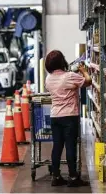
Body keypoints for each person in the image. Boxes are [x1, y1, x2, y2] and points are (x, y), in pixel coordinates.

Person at [44, 50, 92, 187]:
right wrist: (83, 70)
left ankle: (56, 176)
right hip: (69, 116)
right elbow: (88, 82)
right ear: (62, 61)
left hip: (55, 117)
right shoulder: (70, 76)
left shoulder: (48, 79)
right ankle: (72, 177)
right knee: (70, 147)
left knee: (57, 147)